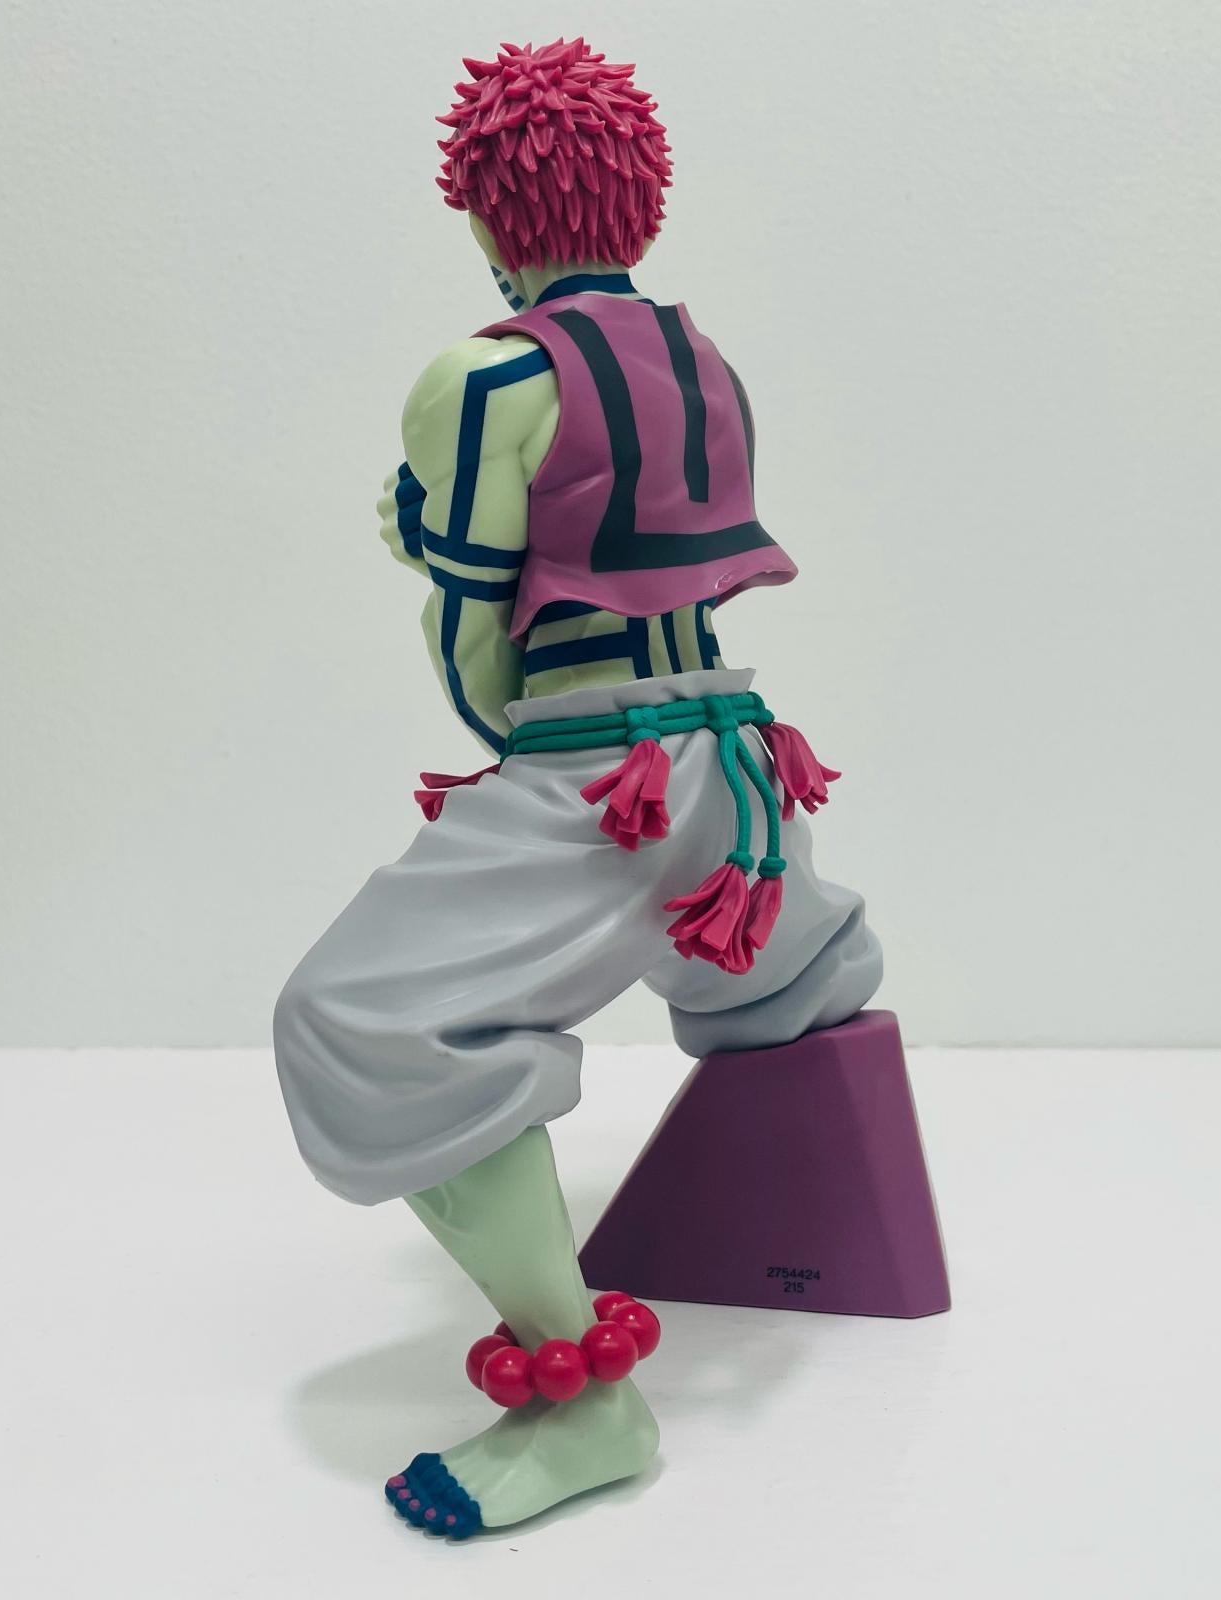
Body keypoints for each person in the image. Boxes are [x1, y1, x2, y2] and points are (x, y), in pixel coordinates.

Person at [273, 37, 882, 1537]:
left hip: (605, 781)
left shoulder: (483, 377)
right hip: (746, 774)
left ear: (488, 214)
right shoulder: (709, 364)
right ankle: (839, 1191)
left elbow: (485, 664)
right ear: (642, 200)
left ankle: (581, 1395)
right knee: (794, 978)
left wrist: (428, 551)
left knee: (358, 1024)